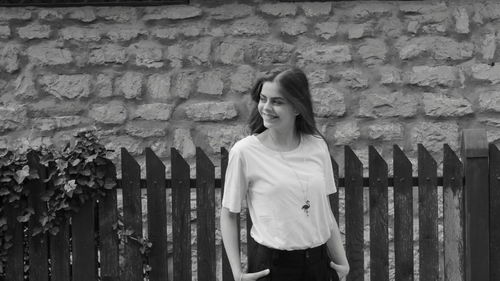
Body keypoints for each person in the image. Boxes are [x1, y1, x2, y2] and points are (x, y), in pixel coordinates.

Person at [220, 68, 349, 281]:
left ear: (298, 107)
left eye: (277, 102)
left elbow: (323, 211)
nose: (266, 108)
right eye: (263, 99)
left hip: (319, 265)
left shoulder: (316, 146)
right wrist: (237, 273)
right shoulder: (245, 152)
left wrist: (342, 260)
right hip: (273, 268)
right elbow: (228, 214)